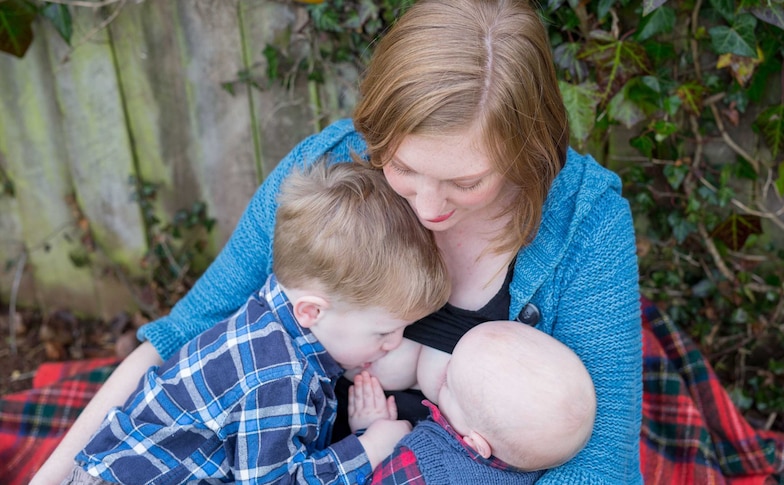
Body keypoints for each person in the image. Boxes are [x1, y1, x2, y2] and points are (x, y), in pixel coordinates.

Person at [33, 0, 643, 483]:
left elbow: (600, 462)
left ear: (528, 149)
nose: (429, 210)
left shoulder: (584, 224)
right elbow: (186, 333)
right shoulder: (331, 168)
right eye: (404, 170)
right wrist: (54, 477)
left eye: (467, 181)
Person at [59, 162, 450, 484]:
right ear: (312, 312)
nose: (394, 343)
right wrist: (369, 449)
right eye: (384, 332)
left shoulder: (271, 315)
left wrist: (363, 428)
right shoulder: (277, 377)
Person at [349, 320, 597, 484]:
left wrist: (367, 431)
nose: (444, 364)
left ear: (476, 444)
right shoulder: (529, 460)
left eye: (448, 381)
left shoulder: (422, 467)